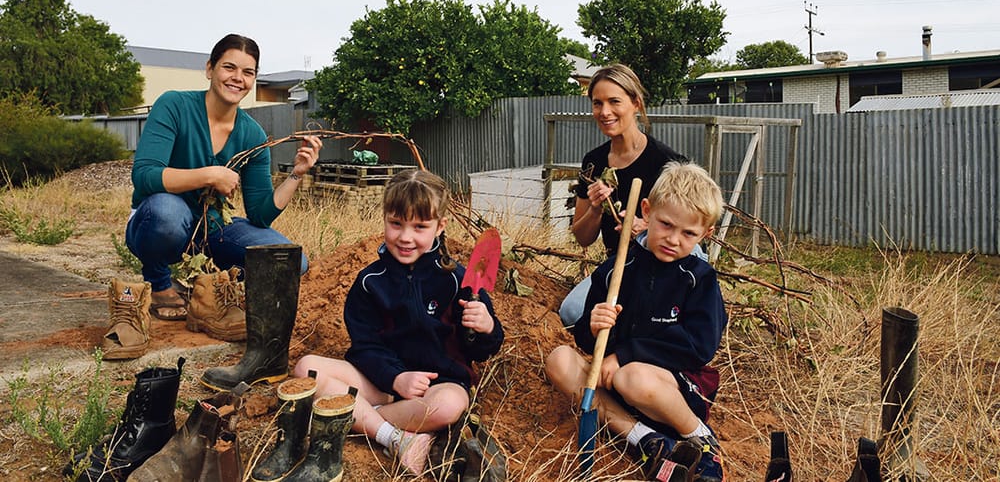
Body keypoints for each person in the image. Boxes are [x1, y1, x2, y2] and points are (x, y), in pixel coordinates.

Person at [292, 169, 505, 476]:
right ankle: (395, 436)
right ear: (385, 220)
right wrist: (396, 378)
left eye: (420, 227)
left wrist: (487, 327)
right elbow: (365, 347)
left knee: (448, 406)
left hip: (438, 385)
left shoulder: (458, 281)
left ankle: (358, 417)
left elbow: (483, 348)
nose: (406, 237)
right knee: (306, 369)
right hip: (380, 383)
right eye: (396, 224)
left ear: (440, 226)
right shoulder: (370, 282)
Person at [546, 162, 728, 481]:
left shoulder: (699, 279)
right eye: (666, 224)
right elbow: (588, 344)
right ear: (646, 211)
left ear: (706, 234)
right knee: (560, 360)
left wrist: (626, 355)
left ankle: (700, 438)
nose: (673, 239)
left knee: (633, 377)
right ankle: (645, 439)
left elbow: (699, 346)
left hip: (669, 387)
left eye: (688, 233)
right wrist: (593, 325)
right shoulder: (618, 267)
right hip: (617, 383)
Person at [126, 33, 322, 320]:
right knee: (167, 212)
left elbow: (260, 215)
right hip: (155, 221)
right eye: (229, 67)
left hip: (212, 228)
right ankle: (159, 283)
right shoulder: (174, 106)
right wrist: (210, 175)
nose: (237, 78)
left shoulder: (252, 134)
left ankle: (216, 287)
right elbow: (144, 176)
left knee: (293, 260)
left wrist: (296, 174)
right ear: (210, 69)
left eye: (248, 72)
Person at [559, 63, 691, 326]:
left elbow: (690, 234)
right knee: (572, 312)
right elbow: (583, 237)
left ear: (636, 103)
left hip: (661, 265)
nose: (604, 112)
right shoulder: (594, 163)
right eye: (598, 103)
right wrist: (595, 208)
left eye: (614, 101)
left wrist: (648, 230)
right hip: (619, 264)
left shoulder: (668, 163)